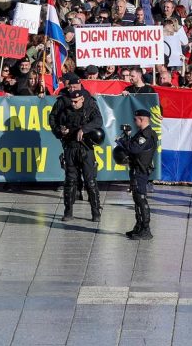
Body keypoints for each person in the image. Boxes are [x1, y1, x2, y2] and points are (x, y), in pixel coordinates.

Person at [50, 75, 103, 221]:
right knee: (70, 181)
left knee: (90, 181)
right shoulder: (63, 104)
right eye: (70, 87)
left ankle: (96, 212)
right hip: (70, 147)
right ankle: (68, 212)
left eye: (76, 101)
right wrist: (60, 132)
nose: (73, 103)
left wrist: (84, 129)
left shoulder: (90, 102)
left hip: (86, 147)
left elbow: (98, 120)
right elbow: (54, 119)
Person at [115, 109, 158, 240]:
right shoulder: (141, 133)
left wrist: (122, 141)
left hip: (141, 170)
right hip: (136, 168)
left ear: (142, 119)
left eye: (135, 119)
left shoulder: (146, 134)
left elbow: (134, 148)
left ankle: (146, 229)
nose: (134, 122)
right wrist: (127, 136)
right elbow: (133, 145)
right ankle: (139, 226)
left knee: (140, 198)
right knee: (136, 198)